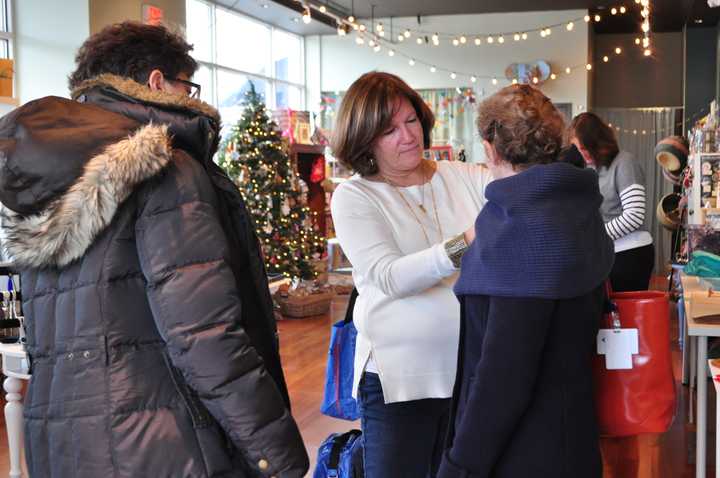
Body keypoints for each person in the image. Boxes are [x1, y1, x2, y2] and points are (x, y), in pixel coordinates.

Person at [0, 22, 308, 477]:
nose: (194, 98)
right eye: (189, 86)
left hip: (62, 443)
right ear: (158, 82)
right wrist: (276, 452)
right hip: (164, 443)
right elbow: (204, 333)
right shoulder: (164, 166)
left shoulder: (47, 176)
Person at [438, 84, 614, 478]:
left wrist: (460, 466)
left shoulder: (519, 227)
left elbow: (504, 378)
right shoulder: (577, 207)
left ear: (490, 147)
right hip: (573, 435)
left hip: (522, 453)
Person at [330, 72, 492, 477]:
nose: (407, 136)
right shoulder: (355, 196)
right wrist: (466, 242)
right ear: (365, 140)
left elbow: (518, 188)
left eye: (411, 121)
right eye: (388, 130)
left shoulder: (461, 176)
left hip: (471, 374)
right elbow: (389, 276)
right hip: (397, 385)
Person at [569, 112, 654, 292]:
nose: (583, 154)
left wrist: (595, 236)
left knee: (626, 316)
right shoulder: (592, 169)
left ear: (598, 142)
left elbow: (634, 216)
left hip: (630, 253)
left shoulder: (624, 162)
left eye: (585, 148)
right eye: (578, 149)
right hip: (607, 252)